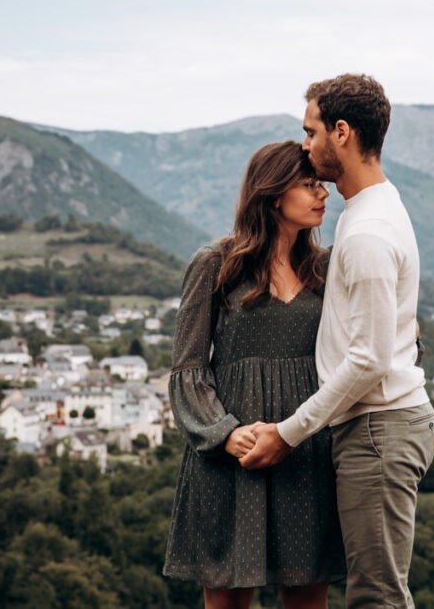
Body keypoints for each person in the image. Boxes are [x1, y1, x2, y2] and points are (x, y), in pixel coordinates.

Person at [240, 74, 434, 608]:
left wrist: (287, 433)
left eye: (311, 131)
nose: (305, 145)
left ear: (342, 133)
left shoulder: (368, 231)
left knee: (376, 598)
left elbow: (370, 359)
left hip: (378, 430)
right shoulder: (370, 211)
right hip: (374, 428)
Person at [163, 140, 344, 609]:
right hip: (231, 458)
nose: (323, 194)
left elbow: (364, 349)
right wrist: (224, 433)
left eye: (322, 184)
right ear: (272, 192)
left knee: (307, 598)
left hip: (305, 450)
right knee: (227, 602)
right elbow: (187, 368)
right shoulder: (216, 264)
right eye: (309, 185)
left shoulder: (329, 269)